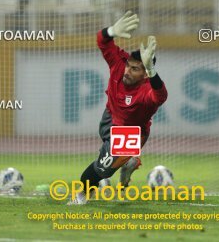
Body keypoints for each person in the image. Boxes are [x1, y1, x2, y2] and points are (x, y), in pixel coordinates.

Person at [68, 11, 168, 204]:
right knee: (104, 162)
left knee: (100, 171)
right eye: (128, 66)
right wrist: (112, 31)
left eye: (135, 69)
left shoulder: (147, 90)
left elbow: (160, 95)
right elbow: (102, 41)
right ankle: (128, 162)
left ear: (145, 74)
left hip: (131, 134)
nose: (127, 71)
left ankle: (82, 195)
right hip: (110, 118)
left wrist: (152, 71)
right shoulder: (118, 64)